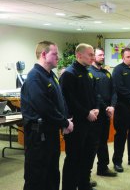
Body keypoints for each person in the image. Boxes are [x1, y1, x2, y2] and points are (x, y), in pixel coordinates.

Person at [21, 41, 74, 190]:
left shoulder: (50, 75)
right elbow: (45, 108)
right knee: (37, 177)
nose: (58, 57)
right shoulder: (35, 78)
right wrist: (64, 122)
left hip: (50, 134)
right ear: (44, 55)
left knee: (52, 174)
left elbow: (59, 101)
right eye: (55, 54)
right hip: (38, 137)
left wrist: (64, 119)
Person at [60, 43, 100, 190]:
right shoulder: (69, 74)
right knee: (74, 159)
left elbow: (94, 94)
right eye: (90, 54)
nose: (93, 57)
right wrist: (86, 113)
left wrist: (96, 108)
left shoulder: (87, 72)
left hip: (90, 122)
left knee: (88, 156)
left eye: (93, 54)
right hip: (76, 124)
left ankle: (83, 183)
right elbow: (68, 101)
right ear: (78, 55)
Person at [88, 47, 117, 177]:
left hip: (107, 112)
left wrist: (112, 106)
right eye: (100, 55)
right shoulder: (89, 73)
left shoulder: (107, 73)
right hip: (96, 113)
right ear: (93, 56)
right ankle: (86, 175)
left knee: (103, 141)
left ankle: (103, 168)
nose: (102, 57)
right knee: (93, 144)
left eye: (103, 55)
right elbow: (95, 95)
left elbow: (114, 91)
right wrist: (106, 108)